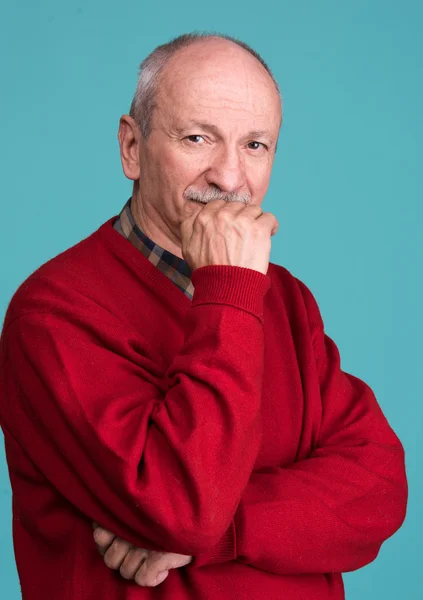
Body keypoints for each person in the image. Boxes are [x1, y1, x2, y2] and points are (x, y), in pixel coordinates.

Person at [0, 32, 407, 600]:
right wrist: (231, 292)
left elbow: (379, 487)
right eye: (197, 138)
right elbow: (182, 510)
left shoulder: (287, 299)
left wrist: (229, 532)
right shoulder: (52, 315)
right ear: (132, 148)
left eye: (256, 145)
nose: (230, 177)